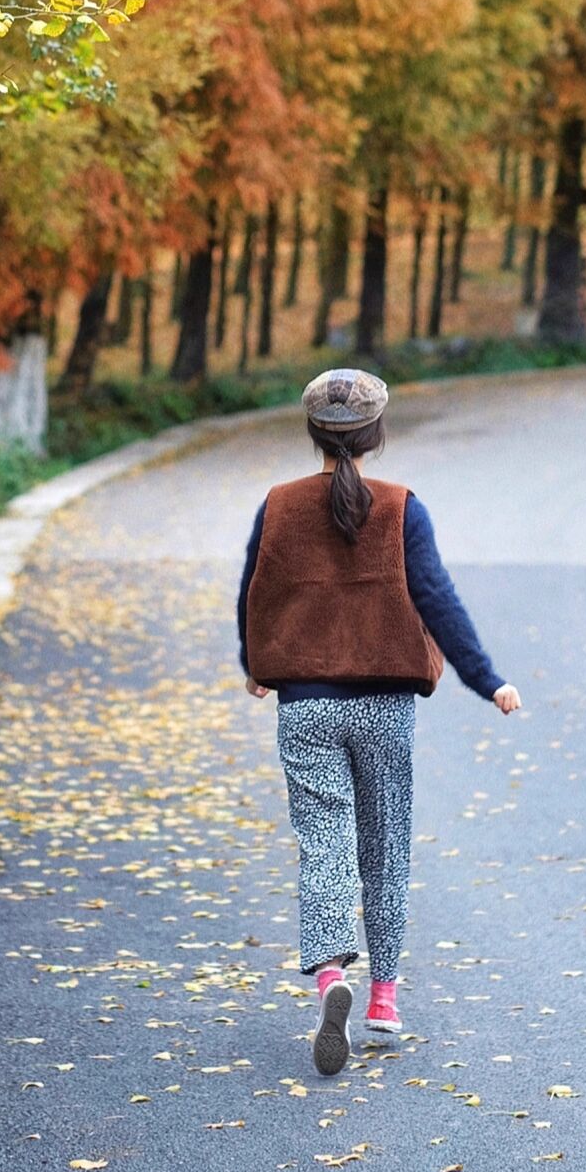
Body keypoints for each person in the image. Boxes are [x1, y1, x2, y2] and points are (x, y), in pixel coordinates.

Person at [237, 367, 521, 1077]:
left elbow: (255, 591)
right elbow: (436, 598)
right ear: (378, 434)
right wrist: (487, 679)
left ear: (312, 432)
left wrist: (256, 663)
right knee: (384, 846)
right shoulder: (400, 508)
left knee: (324, 846)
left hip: (306, 704)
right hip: (385, 705)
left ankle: (332, 975)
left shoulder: (278, 505)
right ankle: (384, 1000)